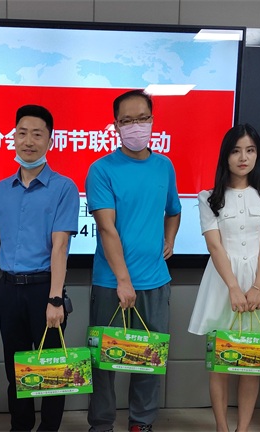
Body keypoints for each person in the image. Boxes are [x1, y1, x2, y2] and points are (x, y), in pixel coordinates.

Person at [0, 104, 79, 432]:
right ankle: (20, 427)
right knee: (15, 367)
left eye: (37, 134)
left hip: (45, 288)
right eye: (22, 133)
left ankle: (48, 428)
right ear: (14, 137)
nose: (28, 141)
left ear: (50, 140)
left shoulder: (64, 188)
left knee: (51, 369)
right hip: (8, 289)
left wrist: (55, 299)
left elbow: (60, 246)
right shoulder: (0, 189)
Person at [85, 90, 181, 432]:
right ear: (116, 126)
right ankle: (101, 425)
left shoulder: (164, 166)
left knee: (149, 359)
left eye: (142, 118)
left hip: (155, 280)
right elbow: (106, 228)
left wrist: (169, 239)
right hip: (111, 283)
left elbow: (173, 210)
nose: (135, 126)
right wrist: (124, 280)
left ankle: (141, 422)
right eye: (127, 120)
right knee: (104, 360)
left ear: (153, 120)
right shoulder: (101, 169)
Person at [188, 124, 260, 432]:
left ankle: (242, 429)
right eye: (236, 151)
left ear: (257, 154)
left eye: (250, 150)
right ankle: (222, 426)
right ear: (225, 156)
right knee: (220, 363)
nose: (243, 158)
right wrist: (233, 287)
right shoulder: (208, 198)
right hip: (222, 283)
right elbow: (214, 245)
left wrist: (258, 287)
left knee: (252, 362)